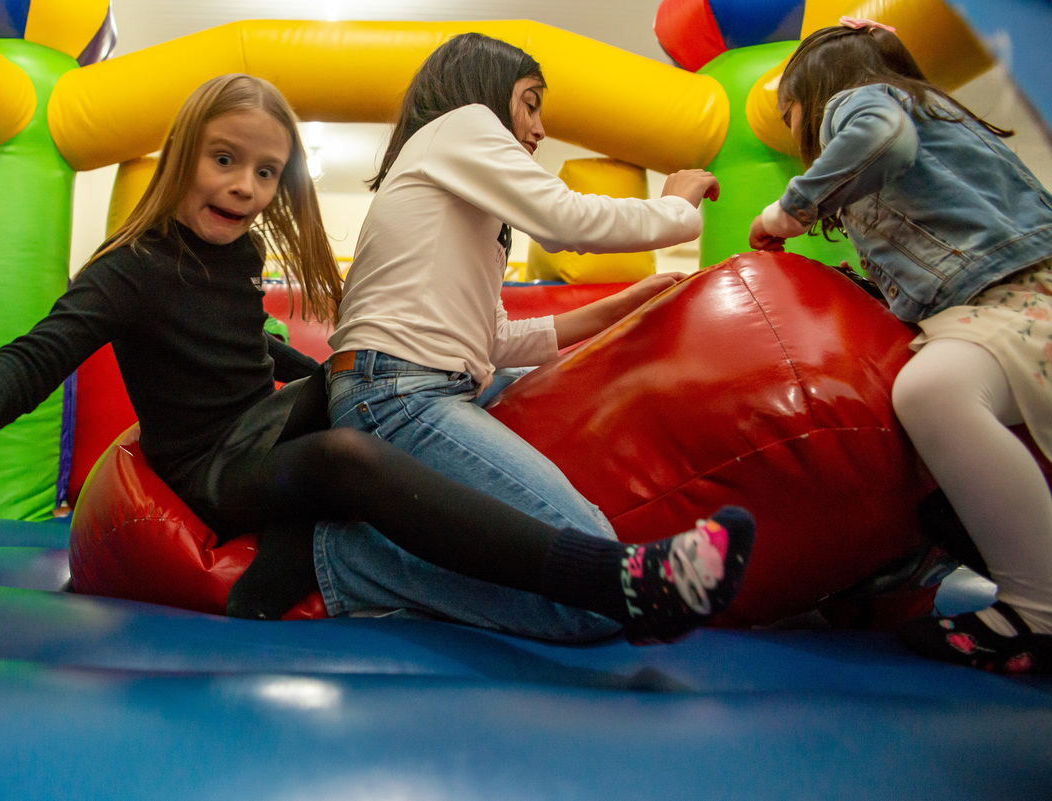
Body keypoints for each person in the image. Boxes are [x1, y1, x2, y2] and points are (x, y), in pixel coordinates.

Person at [0, 73, 751, 647]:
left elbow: (243, 348)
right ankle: (621, 578)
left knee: (384, 380)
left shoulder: (238, 252)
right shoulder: (127, 270)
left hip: (260, 427)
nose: (244, 188)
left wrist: (315, 376)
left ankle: (300, 545)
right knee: (348, 445)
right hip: (213, 467)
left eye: (265, 173)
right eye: (224, 161)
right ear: (185, 153)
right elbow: (39, 354)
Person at [320, 32, 755, 645]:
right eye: (530, 103)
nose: (540, 128)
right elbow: (566, 220)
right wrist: (677, 211)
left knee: (569, 408)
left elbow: (492, 339)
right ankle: (352, 559)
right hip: (395, 394)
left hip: (419, 386)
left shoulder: (462, 192)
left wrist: (613, 310)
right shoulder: (461, 125)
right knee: (595, 598)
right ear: (487, 95)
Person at [749, 18, 1052, 673]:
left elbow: (880, 138)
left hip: (1014, 289)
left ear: (815, 93)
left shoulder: (858, 103)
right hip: (1005, 289)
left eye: (790, 113)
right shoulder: (932, 108)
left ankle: (1038, 611)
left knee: (933, 392)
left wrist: (786, 211)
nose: (798, 128)